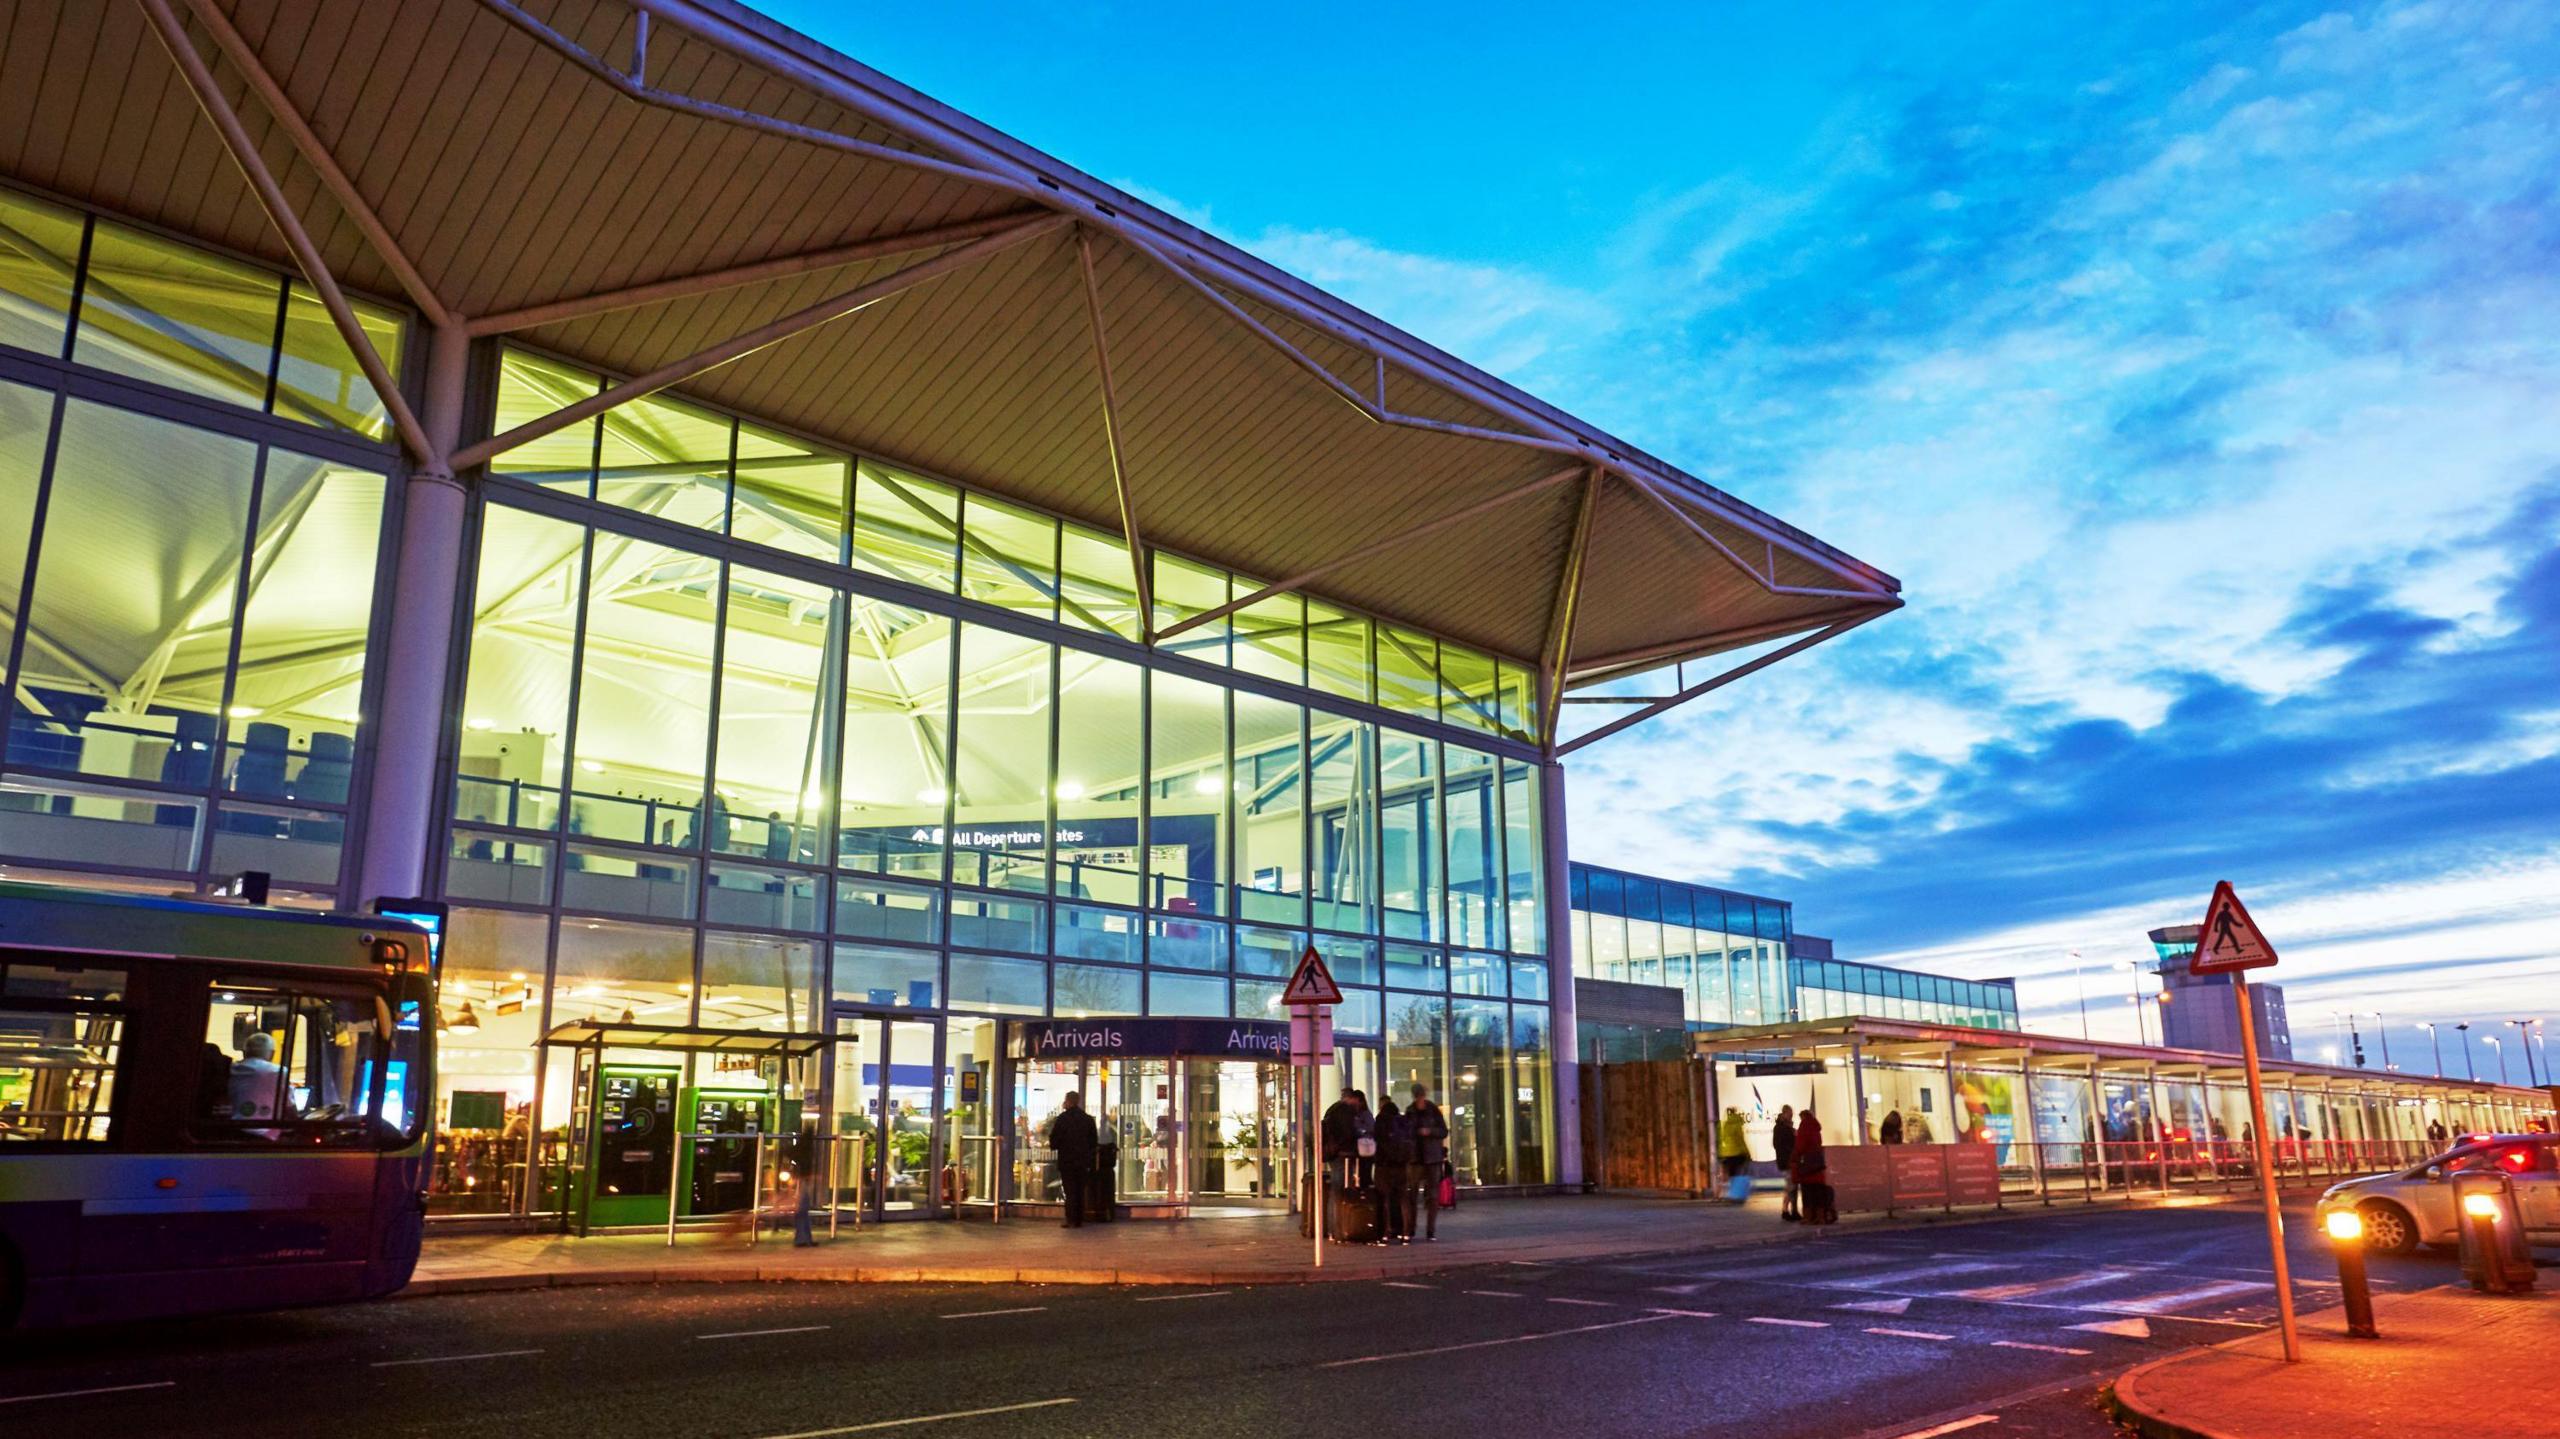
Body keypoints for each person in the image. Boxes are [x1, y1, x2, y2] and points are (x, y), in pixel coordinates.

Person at [1048, 1091, 1099, 1228]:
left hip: (1067, 1161)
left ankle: (1070, 1218)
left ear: (1068, 1101)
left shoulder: (1062, 1119)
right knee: (1080, 1190)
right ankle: (1079, 1219)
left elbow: (1054, 1141)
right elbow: (1093, 1141)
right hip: (1083, 1161)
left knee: (1069, 1190)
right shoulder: (1088, 1119)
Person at [1373, 1096, 1418, 1245]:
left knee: (1384, 1199)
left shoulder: (1381, 1119)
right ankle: (1406, 1233)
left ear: (1381, 1106)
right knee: (1403, 1199)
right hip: (1401, 1165)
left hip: (1384, 1165)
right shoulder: (1401, 1120)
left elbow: (1376, 1139)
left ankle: (1385, 1233)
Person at [1408, 1082, 1450, 1240]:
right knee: (1412, 1195)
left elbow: (1443, 1131)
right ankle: (1411, 1228)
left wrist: (1429, 1132)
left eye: (1421, 1095)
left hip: (1432, 1158)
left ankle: (1430, 1230)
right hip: (1417, 1158)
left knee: (1432, 1195)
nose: (1420, 1098)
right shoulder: (1410, 1111)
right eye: (1418, 1096)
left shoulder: (1432, 1110)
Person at [229, 1031, 287, 1120]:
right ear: (272, 1054)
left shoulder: (231, 1069)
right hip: (267, 1129)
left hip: (234, 1126)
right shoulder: (278, 1071)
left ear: (244, 1052)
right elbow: (289, 1107)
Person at [1794, 1104, 1832, 1226]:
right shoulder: (1816, 1127)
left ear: (1802, 1117)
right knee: (1818, 1192)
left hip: (1807, 1165)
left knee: (1808, 1193)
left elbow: (1800, 1145)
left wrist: (1795, 1157)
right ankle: (1820, 1217)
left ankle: (1808, 1217)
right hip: (1818, 1164)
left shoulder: (1804, 1126)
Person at [1773, 1105, 1799, 1222]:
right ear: (1784, 1113)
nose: (1791, 1116)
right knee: (1790, 1186)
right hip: (1788, 1160)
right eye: (1789, 1114)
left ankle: (1793, 1210)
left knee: (1792, 1186)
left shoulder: (1783, 1127)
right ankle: (1785, 1210)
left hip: (1789, 1160)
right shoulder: (1782, 1128)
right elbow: (1781, 1144)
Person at [1717, 1106, 1750, 1194]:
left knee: (1724, 1174)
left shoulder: (1722, 1124)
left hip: (1724, 1153)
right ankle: (1735, 1193)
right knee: (1736, 1174)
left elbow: (1719, 1139)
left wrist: (1720, 1152)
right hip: (1736, 1153)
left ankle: (1721, 1194)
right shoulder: (1736, 1124)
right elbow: (1740, 1140)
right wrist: (1747, 1152)